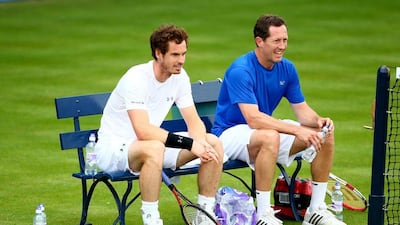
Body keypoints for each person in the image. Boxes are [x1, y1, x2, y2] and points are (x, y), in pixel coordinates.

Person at [211, 14, 346, 225]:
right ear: (259, 41)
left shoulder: (287, 68)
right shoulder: (241, 70)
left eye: (285, 40)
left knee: (324, 134)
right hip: (229, 134)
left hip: (262, 132)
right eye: (276, 41)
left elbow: (302, 112)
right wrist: (296, 131)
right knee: (270, 137)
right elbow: (253, 118)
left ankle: (315, 210)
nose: (282, 46)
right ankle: (263, 214)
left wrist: (318, 120)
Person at [95, 24, 223, 225]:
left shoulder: (180, 77)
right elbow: (143, 130)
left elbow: (194, 121)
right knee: (154, 147)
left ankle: (204, 215)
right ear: (158, 53)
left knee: (213, 142)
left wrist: (200, 143)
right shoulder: (136, 78)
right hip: (114, 150)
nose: (181, 61)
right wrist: (190, 145)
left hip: (152, 147)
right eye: (175, 55)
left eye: (183, 54)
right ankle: (152, 219)